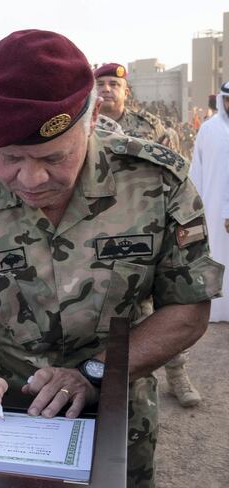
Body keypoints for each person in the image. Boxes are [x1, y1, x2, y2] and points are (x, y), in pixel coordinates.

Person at [0, 30, 223, 488]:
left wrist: (93, 373)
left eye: (53, 158)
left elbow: (188, 309)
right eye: (9, 158)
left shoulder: (156, 184)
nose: (31, 179)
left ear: (93, 119)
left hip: (114, 423)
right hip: (2, 424)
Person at [97, 63, 201, 407]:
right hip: (103, 232)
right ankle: (124, 384)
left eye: (115, 84)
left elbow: (176, 175)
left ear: (127, 91)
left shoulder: (151, 127)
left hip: (151, 226)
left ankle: (177, 374)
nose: (108, 89)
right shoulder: (85, 128)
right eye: (102, 83)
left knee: (167, 305)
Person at [190, 80, 229, 323]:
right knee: (217, 255)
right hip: (213, 208)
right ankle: (219, 310)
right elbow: (197, 171)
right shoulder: (209, 129)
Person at [95, 64, 167, 143]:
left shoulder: (149, 124)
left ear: (126, 93)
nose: (106, 89)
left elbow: (170, 154)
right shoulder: (82, 123)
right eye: (100, 84)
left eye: (113, 84)